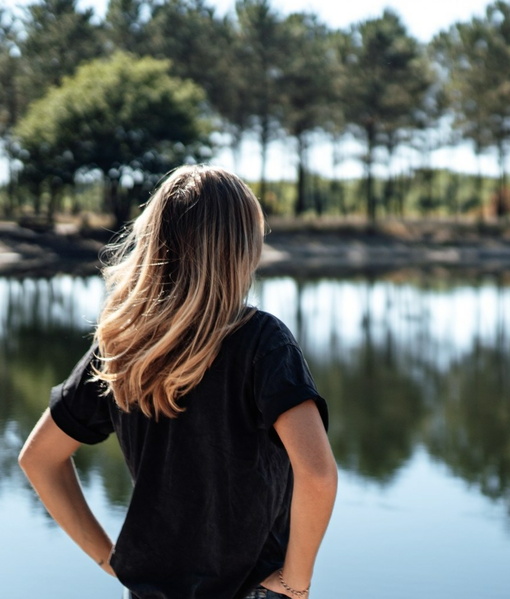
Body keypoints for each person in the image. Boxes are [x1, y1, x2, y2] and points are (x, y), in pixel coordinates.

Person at [18, 165, 338, 599]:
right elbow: (317, 476)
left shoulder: (122, 342)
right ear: (242, 248)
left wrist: (105, 556)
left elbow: (38, 458)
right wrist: (294, 585)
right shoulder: (262, 341)